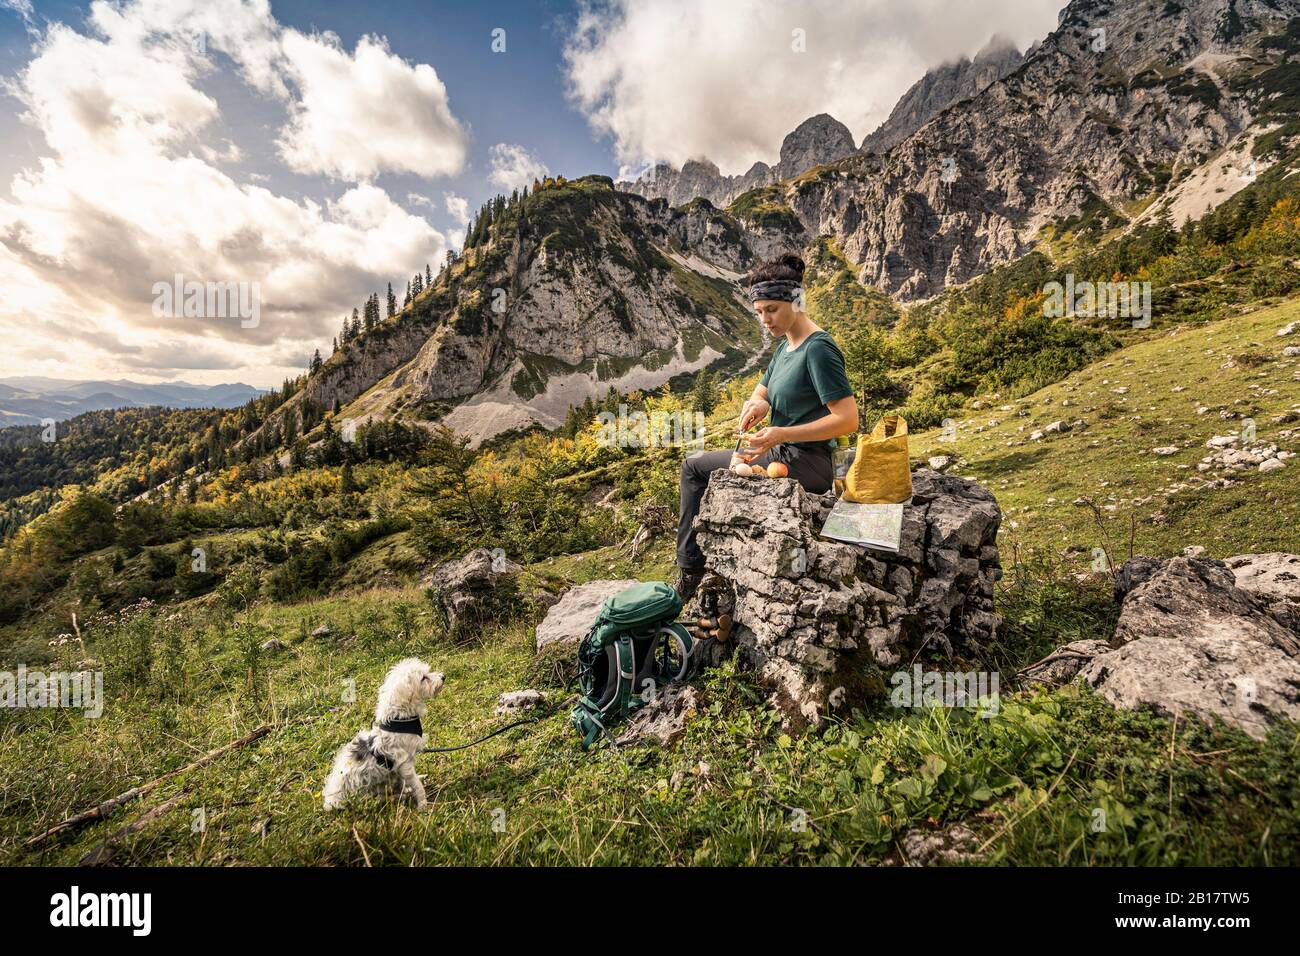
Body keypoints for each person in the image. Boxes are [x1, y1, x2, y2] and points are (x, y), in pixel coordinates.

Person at [675, 252, 859, 602]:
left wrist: (781, 432)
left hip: (809, 462)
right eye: (759, 312)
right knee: (698, 465)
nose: (764, 319)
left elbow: (848, 418)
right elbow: (762, 392)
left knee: (693, 469)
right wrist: (757, 405)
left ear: (796, 300)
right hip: (778, 449)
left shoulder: (818, 349)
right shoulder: (785, 346)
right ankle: (695, 566)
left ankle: (690, 571)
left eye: (771, 309)